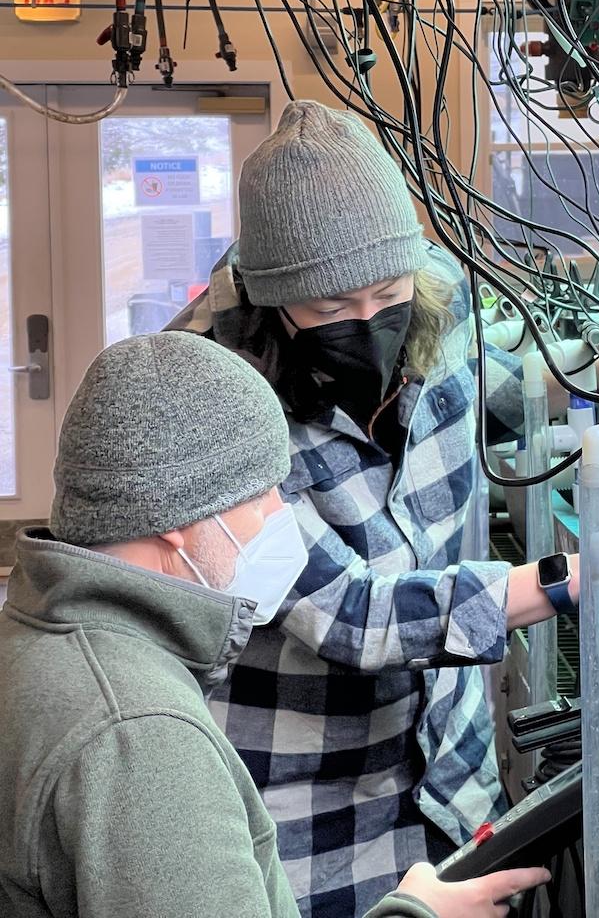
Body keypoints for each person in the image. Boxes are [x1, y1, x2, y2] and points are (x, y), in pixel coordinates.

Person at [169, 102, 599, 917]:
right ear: (274, 301)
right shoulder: (219, 402)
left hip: (452, 787)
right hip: (311, 824)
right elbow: (351, 616)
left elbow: (505, 401)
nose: (368, 325)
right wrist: (569, 578)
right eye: (329, 311)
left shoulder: (438, 308)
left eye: (386, 294)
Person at [0, 332, 550, 918]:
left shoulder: (38, 641)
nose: (280, 515)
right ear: (177, 519)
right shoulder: (141, 737)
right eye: (262, 494)